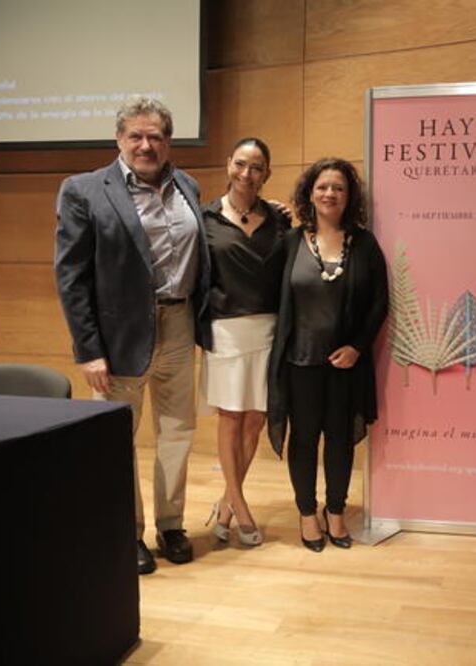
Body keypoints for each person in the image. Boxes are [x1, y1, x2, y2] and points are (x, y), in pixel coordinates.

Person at [55, 96, 210, 574]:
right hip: (117, 336)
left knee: (177, 432)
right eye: (136, 136)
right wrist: (88, 349)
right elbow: (71, 275)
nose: (146, 145)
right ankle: (129, 532)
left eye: (156, 136)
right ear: (119, 139)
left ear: (168, 141)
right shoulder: (84, 190)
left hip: (180, 323)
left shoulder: (187, 184)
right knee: (118, 439)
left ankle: (171, 524)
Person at [266, 158, 388, 552]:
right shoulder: (289, 242)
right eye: (322, 187)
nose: (329, 194)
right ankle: (307, 514)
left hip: (345, 363)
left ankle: (336, 512)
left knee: (339, 441)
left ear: (349, 196)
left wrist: (357, 347)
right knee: (303, 441)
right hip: (298, 362)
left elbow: (379, 303)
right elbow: (267, 293)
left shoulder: (364, 243)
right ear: (309, 193)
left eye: (338, 187)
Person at [198, 137, 289, 547]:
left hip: (268, 328)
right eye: (240, 164)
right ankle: (241, 505)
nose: (247, 174)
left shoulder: (279, 220)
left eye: (256, 168)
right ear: (228, 165)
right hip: (226, 331)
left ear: (266, 173)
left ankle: (226, 502)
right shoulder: (205, 219)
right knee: (231, 417)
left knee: (256, 418)